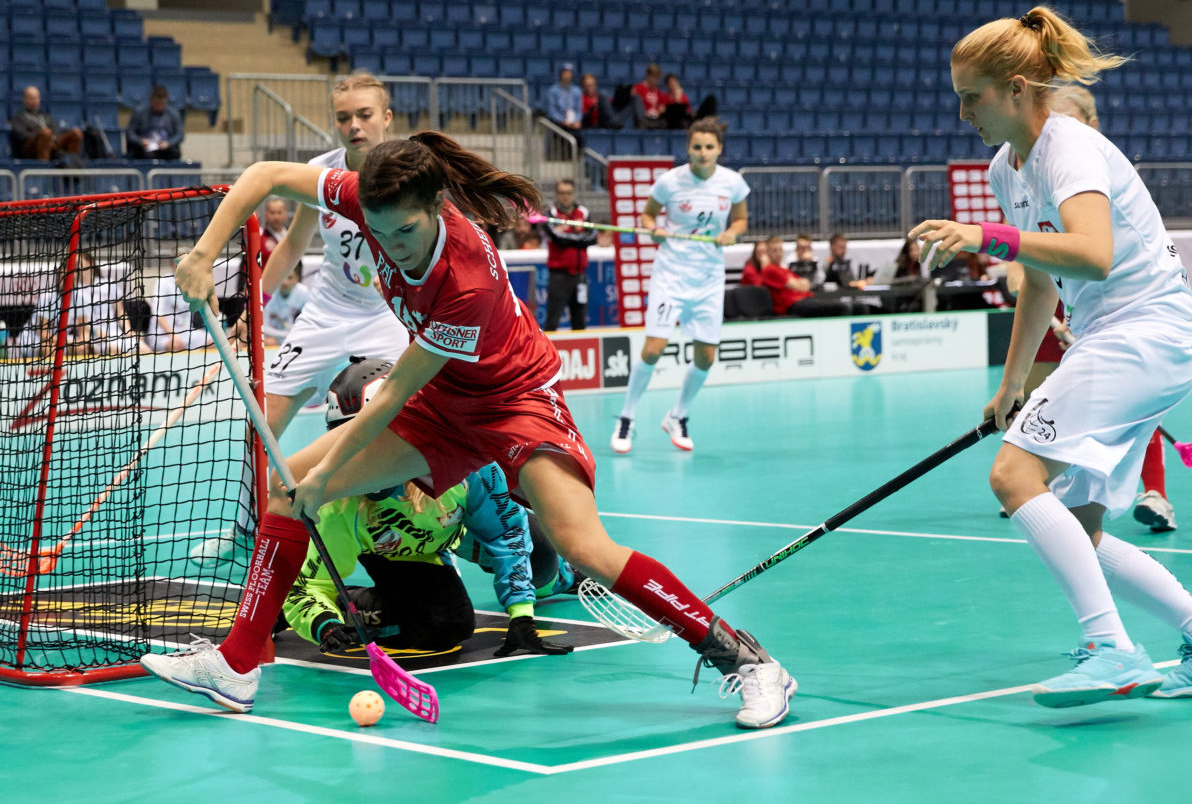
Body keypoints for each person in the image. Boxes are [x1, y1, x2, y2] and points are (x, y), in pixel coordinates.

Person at [141, 130, 795, 729]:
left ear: (433, 209)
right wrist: (205, 255)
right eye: (377, 228)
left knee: (584, 545)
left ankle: (749, 661)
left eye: (402, 233)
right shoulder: (364, 197)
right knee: (286, 491)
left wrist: (326, 479)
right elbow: (259, 176)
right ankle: (235, 663)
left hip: (514, 400)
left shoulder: (465, 281)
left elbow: (393, 392)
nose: (388, 244)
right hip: (446, 397)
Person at [911, 5, 1192, 707]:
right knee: (1080, 525)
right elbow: (1043, 283)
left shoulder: (1068, 144)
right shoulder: (1005, 167)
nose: (962, 114)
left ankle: (1111, 647)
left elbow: (1092, 254)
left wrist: (986, 238)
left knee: (1015, 476)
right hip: (1126, 338)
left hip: (1144, 332)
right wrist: (1012, 381)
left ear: (1017, 87)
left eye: (970, 97)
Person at [188, 72, 411, 563]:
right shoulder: (322, 173)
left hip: (392, 316)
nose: (354, 126)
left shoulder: (409, 171)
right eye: (344, 118)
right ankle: (246, 525)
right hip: (327, 313)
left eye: (365, 115)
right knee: (261, 422)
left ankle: (421, 529)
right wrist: (251, 307)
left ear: (387, 119)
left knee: (407, 422)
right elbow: (291, 246)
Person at [280, 358, 575, 656]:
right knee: (444, 625)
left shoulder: (466, 462)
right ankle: (351, 604)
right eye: (343, 440)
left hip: (453, 526)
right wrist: (324, 623)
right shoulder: (336, 502)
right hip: (397, 550)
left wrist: (522, 617)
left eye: (367, 438)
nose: (356, 454)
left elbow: (506, 535)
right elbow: (307, 584)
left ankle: (567, 579)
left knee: (542, 559)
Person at [1045, 83, 1175, 532]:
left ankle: (1155, 492)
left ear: (1093, 124)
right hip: (1082, 325)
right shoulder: (1043, 183)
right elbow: (1037, 273)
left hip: (1134, 328)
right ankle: (1038, 486)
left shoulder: (1104, 180)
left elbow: (1100, 260)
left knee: (1135, 416)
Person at [610, 118, 748, 454]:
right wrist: (653, 229)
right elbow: (647, 216)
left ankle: (678, 415)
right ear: (689, 148)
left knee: (706, 357)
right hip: (671, 275)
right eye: (697, 147)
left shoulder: (733, 183)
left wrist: (732, 232)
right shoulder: (670, 182)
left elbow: (741, 219)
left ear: (719, 150)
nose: (703, 153)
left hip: (709, 279)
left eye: (709, 147)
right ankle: (626, 418)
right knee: (653, 349)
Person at [538, 180, 594, 331]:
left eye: (568, 193)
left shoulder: (584, 212)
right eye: (562, 193)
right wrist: (579, 233)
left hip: (580, 275)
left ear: (573, 193)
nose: (565, 197)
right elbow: (558, 239)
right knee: (552, 321)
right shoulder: (550, 213)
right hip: (559, 277)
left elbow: (593, 238)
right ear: (557, 194)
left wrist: (568, 231)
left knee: (580, 322)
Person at [9, 86, 83, 162]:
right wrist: (42, 135)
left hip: (52, 143)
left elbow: (56, 129)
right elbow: (22, 136)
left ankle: (72, 167)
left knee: (76, 133)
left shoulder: (45, 116)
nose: (34, 100)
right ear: (24, 99)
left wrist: (51, 138)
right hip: (31, 148)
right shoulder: (18, 118)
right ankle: (44, 169)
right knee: (46, 133)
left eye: (36, 97)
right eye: (31, 98)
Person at [125, 86, 183, 160]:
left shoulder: (173, 114)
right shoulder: (139, 112)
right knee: (145, 155)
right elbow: (130, 133)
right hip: (146, 147)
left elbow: (180, 134)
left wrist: (169, 143)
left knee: (174, 153)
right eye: (156, 103)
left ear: (165, 101)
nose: (159, 106)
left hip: (165, 147)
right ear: (151, 100)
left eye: (161, 103)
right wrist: (140, 141)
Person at [261, 262, 310, 346]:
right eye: (282, 277)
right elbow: (263, 327)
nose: (285, 282)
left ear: (297, 279)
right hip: (271, 338)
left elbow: (311, 322)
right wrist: (287, 335)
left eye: (290, 278)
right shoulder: (268, 293)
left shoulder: (304, 293)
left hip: (293, 338)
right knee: (270, 342)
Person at [631, 63, 669, 130]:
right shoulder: (639, 88)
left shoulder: (658, 91)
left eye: (658, 78)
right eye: (655, 78)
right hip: (644, 118)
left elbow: (662, 105)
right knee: (643, 122)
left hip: (655, 118)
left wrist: (661, 109)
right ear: (648, 76)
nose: (657, 81)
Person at [260, 197, 291, 265]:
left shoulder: (292, 236)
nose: (276, 217)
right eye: (272, 213)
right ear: (266, 214)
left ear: (285, 214)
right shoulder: (259, 236)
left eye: (279, 212)